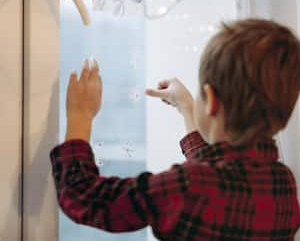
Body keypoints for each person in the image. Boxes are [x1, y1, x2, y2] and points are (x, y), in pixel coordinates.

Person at [50, 18, 300, 240]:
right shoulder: (283, 183)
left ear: (210, 99)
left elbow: (84, 197)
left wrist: (80, 115)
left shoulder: (187, 187)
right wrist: (187, 108)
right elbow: (220, 175)